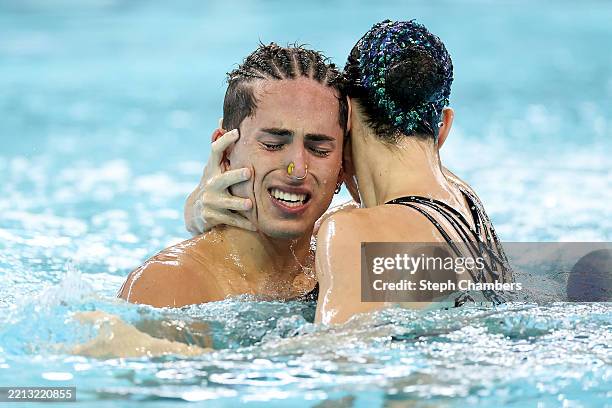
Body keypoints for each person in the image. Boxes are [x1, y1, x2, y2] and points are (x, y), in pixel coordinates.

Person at [188, 21, 512, 325]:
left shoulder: (352, 234)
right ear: (443, 128)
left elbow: (335, 364)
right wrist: (197, 212)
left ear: (348, 123)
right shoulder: (465, 202)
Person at [118, 43, 348, 308]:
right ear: (226, 151)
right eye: (273, 144)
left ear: (342, 165)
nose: (297, 170)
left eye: (318, 149)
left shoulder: (353, 258)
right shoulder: (168, 284)